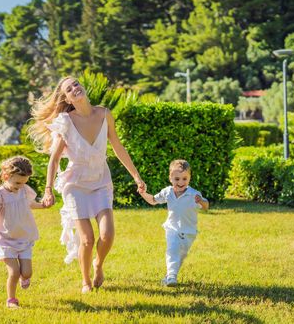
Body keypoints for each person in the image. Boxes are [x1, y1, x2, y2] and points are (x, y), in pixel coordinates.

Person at [28, 76, 145, 294]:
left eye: (76, 84)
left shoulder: (104, 114)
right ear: (67, 98)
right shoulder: (66, 122)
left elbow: (117, 146)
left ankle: (98, 265)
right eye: (69, 89)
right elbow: (54, 159)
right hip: (76, 184)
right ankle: (85, 281)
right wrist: (48, 189)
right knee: (87, 239)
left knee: (107, 235)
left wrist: (136, 177)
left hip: (101, 180)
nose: (75, 88)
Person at [0, 156, 48, 309]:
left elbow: (30, 204)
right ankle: (11, 300)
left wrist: (43, 205)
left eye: (24, 182)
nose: (21, 186)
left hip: (23, 237)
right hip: (4, 239)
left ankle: (25, 278)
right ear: (6, 176)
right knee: (14, 272)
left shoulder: (23, 190)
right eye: (17, 182)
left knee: (27, 273)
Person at [138, 159, 209, 287]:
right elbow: (153, 200)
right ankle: (172, 277)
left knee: (180, 255)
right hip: (172, 228)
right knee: (172, 250)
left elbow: (206, 206)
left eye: (184, 179)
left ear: (189, 178)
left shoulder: (194, 194)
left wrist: (201, 201)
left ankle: (169, 277)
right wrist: (143, 193)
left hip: (189, 231)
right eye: (177, 179)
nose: (181, 182)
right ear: (170, 178)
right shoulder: (168, 192)